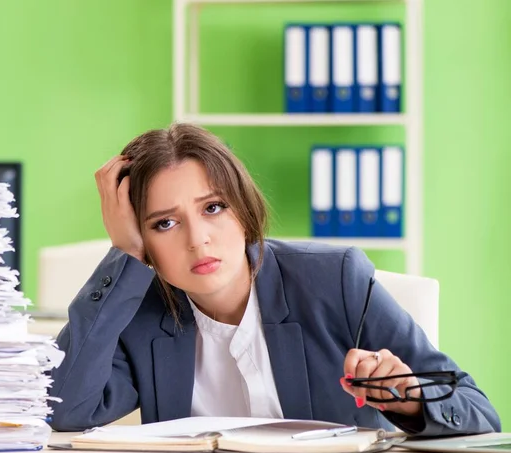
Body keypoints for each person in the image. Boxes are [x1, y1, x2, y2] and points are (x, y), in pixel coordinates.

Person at [48, 123, 500, 436]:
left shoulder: (334, 279)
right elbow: (63, 410)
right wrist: (123, 254)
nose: (198, 240)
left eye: (213, 208)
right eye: (164, 223)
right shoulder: (139, 311)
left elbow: (480, 414)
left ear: (243, 211)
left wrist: (410, 399)